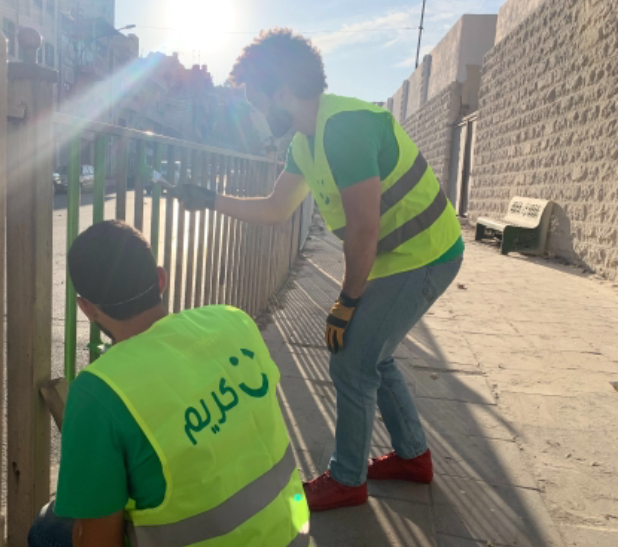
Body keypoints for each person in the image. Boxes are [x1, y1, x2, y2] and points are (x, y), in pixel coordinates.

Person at [177, 29, 464, 512]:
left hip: (426, 255)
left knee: (351, 359)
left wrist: (346, 302)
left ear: (281, 93)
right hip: (397, 257)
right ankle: (414, 458)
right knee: (373, 355)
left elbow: (364, 230)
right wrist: (210, 200)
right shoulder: (305, 142)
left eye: (253, 99)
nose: (251, 110)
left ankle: (347, 479)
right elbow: (276, 208)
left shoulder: (345, 128)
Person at [27, 220, 309, 547]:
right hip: (293, 536)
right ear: (161, 279)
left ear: (87, 308)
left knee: (48, 530)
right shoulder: (235, 321)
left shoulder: (98, 393)